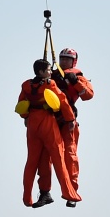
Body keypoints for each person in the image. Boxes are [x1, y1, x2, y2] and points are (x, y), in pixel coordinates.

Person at [17, 58, 81, 208]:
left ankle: (27, 198)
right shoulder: (50, 84)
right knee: (59, 159)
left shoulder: (26, 85)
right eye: (48, 70)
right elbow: (63, 100)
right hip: (47, 122)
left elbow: (21, 104)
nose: (50, 72)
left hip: (32, 124)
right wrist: (70, 119)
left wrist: (26, 117)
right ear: (41, 72)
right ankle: (69, 193)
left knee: (31, 161)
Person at [39, 48, 95, 206]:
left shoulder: (78, 77)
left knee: (69, 156)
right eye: (62, 59)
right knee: (44, 157)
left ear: (73, 62)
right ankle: (44, 192)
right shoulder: (51, 74)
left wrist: (75, 82)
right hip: (50, 120)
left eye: (67, 59)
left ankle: (72, 192)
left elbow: (88, 95)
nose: (64, 62)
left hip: (68, 122)